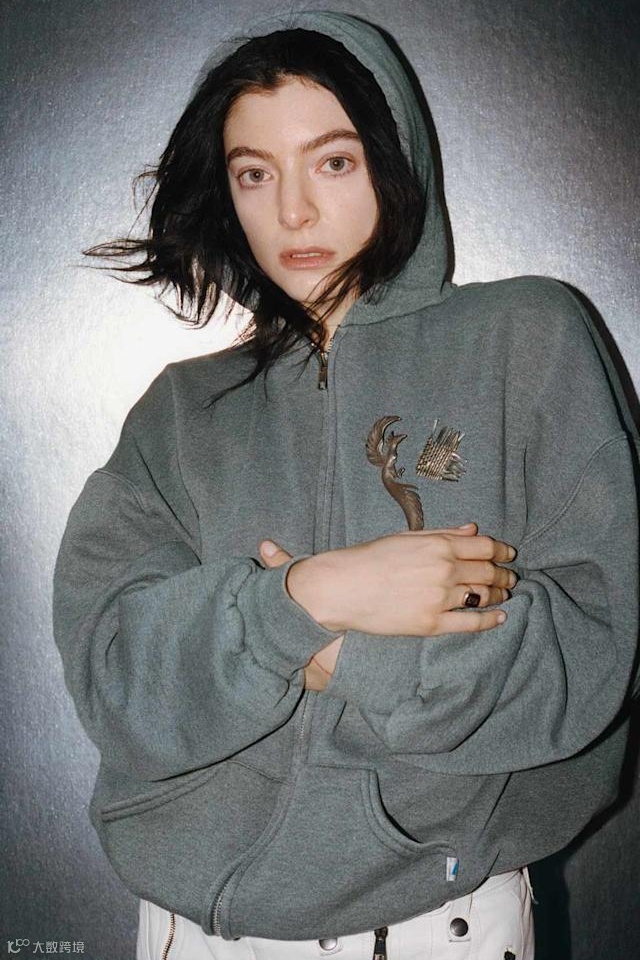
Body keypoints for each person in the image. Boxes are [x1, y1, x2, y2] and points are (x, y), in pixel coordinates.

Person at [53, 10, 639, 960]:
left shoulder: (528, 340)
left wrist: (333, 654)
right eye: (255, 173)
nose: (292, 212)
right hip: (191, 932)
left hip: (429, 926)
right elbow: (116, 677)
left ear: (394, 160)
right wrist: (311, 595)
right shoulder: (181, 410)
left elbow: (591, 659)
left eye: (333, 161)